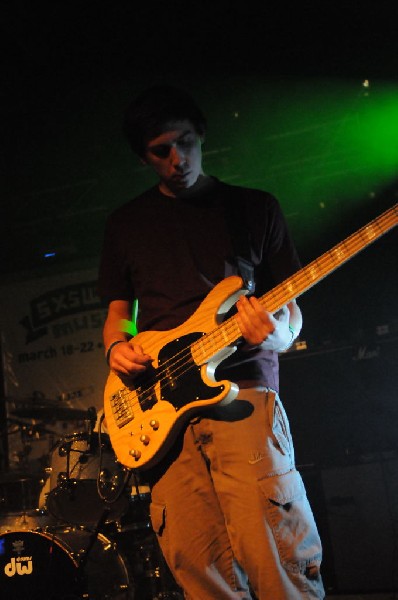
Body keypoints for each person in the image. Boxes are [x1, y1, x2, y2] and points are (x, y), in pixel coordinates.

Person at [98, 85, 325, 599]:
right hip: (161, 416)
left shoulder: (253, 208)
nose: (178, 159)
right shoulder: (124, 225)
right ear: (143, 157)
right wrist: (117, 349)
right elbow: (118, 319)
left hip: (243, 393)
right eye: (162, 150)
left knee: (277, 559)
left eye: (186, 142)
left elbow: (290, 312)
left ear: (201, 135)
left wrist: (277, 334)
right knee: (199, 565)